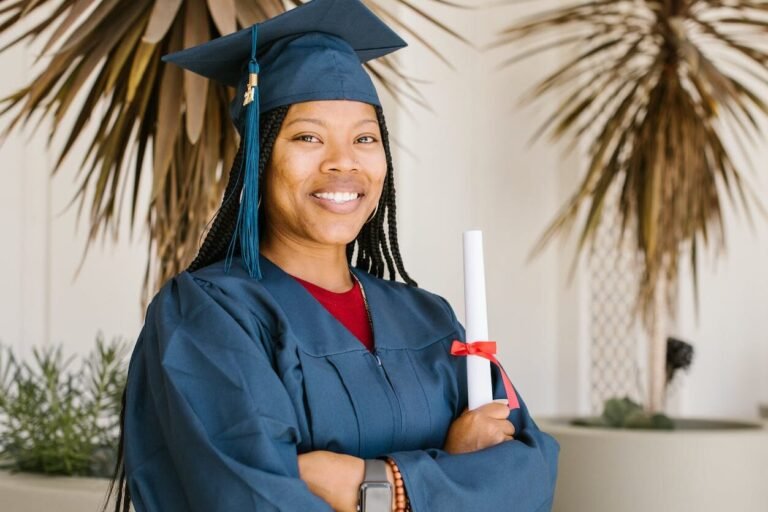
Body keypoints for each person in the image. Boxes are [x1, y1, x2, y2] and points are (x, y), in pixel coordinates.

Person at [105, 1, 559, 511]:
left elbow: (532, 472)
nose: (343, 161)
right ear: (260, 156)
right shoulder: (209, 314)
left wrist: (382, 486)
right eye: (308, 137)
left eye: (364, 137)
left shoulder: (429, 319)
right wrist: (453, 475)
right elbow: (253, 497)